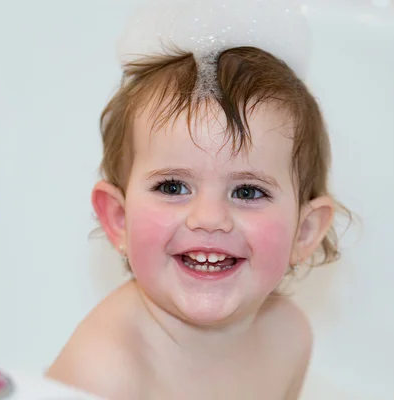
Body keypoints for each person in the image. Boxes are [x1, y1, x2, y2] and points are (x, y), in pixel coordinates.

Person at [46, 42, 348, 400]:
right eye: (173, 186)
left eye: (248, 192)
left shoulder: (288, 336)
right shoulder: (103, 372)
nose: (209, 218)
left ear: (305, 231)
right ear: (119, 219)